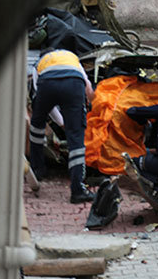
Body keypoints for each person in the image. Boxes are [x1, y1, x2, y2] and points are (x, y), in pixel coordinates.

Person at [29, 49, 96, 203]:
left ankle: (37, 170)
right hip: (73, 83)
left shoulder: (40, 63)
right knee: (76, 138)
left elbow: (43, 100)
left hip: (47, 83)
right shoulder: (72, 58)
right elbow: (87, 86)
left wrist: (60, 123)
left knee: (36, 126)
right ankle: (77, 190)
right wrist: (91, 103)